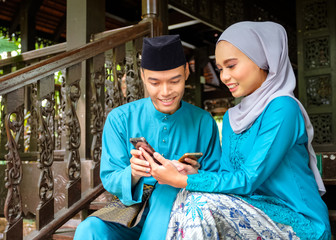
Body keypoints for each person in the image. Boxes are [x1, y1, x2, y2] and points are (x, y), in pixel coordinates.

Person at [140, 22, 331, 239]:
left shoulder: (283, 108)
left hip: (295, 219)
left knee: (197, 202)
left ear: (262, 59)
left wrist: (183, 180)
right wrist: (191, 174)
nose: (224, 77)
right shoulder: (232, 117)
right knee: (187, 196)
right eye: (220, 69)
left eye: (231, 66)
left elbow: (249, 178)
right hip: (250, 210)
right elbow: (228, 176)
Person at [74, 35, 221, 239]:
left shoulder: (204, 122)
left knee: (166, 189)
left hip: (182, 210)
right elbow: (110, 178)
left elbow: (217, 177)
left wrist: (192, 176)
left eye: (174, 81)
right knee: (89, 230)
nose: (165, 92)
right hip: (129, 209)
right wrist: (133, 173)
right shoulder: (120, 118)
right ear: (143, 77)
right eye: (155, 82)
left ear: (186, 72)